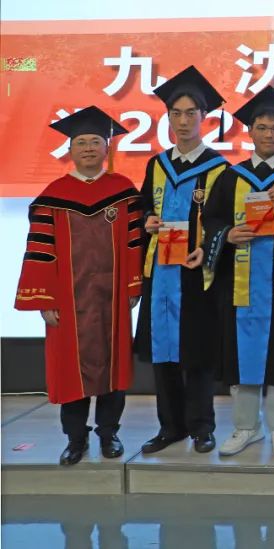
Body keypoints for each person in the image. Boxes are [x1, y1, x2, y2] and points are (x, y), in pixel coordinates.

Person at [15, 107, 142, 465]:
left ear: (107, 148)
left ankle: (109, 433)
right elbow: (40, 251)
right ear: (70, 149)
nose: (88, 148)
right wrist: (45, 299)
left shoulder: (123, 192)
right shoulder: (53, 197)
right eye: (81, 142)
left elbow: (135, 242)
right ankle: (75, 438)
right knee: (71, 369)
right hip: (68, 301)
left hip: (112, 298)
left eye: (95, 141)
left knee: (114, 366)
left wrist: (133, 286)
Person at [201, 87, 274, 458]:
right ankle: (246, 426)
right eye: (262, 127)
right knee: (241, 354)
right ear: (249, 130)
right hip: (239, 281)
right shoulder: (230, 177)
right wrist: (227, 234)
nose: (269, 134)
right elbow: (210, 220)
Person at [136, 66, 229, 455]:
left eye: (191, 113)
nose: (184, 121)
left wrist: (207, 247)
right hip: (161, 272)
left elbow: (223, 219)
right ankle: (169, 426)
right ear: (168, 118)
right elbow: (143, 207)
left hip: (195, 271)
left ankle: (202, 426)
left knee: (197, 353)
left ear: (204, 117)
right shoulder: (157, 165)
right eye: (176, 113)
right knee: (164, 352)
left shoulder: (219, 168)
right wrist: (147, 220)